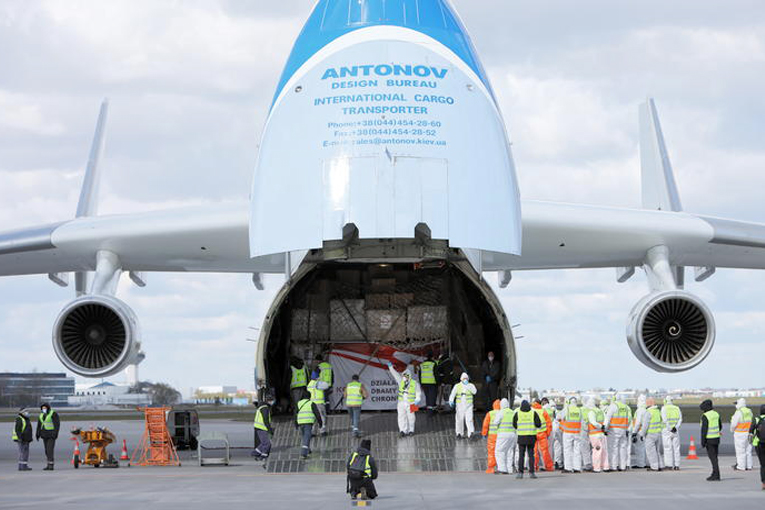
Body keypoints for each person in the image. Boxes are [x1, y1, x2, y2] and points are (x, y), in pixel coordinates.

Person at [388, 362, 421, 436]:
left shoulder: (415, 383)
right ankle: (402, 430)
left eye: (406, 376)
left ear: (409, 376)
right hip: (401, 403)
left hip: (412, 403)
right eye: (404, 376)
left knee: (412, 417)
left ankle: (411, 430)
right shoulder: (401, 382)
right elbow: (395, 374)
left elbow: (418, 394)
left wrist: (417, 401)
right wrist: (390, 368)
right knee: (401, 417)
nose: (405, 378)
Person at [514, 399, 542, 479]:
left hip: (521, 437)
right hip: (531, 437)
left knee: (521, 455)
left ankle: (520, 473)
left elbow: (514, 425)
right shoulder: (533, 413)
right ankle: (532, 473)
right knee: (531, 455)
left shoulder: (517, 413)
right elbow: (538, 424)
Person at [295, 389, 324, 459]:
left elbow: (295, 414)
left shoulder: (298, 403)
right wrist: (320, 423)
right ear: (310, 396)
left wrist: (295, 423)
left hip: (300, 422)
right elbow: (317, 414)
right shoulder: (311, 403)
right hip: (308, 422)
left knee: (304, 436)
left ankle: (308, 450)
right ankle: (303, 453)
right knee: (307, 437)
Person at [605, 395, 631, 471]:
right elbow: (628, 419)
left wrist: (605, 429)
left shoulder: (613, 406)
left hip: (614, 430)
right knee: (623, 448)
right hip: (623, 429)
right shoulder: (625, 407)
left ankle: (613, 466)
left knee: (613, 448)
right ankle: (622, 466)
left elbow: (608, 418)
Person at [449, 372, 478, 439]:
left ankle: (470, 433)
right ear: (461, 379)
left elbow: (475, 392)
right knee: (459, 419)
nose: (465, 380)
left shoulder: (471, 385)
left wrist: (468, 386)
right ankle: (459, 433)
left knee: (469, 419)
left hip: (469, 406)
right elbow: (453, 394)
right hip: (460, 406)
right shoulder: (457, 386)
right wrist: (451, 400)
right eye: (464, 378)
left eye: (466, 378)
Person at [585, 397, 609, 473]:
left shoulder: (591, 412)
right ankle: (605, 467)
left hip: (594, 434)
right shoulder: (601, 411)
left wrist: (600, 426)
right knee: (604, 450)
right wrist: (603, 427)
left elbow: (593, 422)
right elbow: (606, 420)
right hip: (602, 434)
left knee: (596, 451)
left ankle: (597, 468)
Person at [493, 398, 516, 474]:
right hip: (513, 434)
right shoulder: (513, 412)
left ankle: (502, 468)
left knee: (499, 451)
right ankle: (510, 469)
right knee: (510, 452)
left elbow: (495, 423)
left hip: (503, 434)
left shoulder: (501, 412)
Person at [700, 399, 721, 481]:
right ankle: (715, 473)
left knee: (713, 458)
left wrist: (703, 442)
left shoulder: (705, 416)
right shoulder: (716, 414)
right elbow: (720, 426)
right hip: (716, 438)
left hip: (709, 439)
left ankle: (716, 475)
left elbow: (704, 430)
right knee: (715, 457)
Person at [560, 396, 583, 473]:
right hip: (577, 432)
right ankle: (577, 468)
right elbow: (582, 422)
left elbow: (558, 417)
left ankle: (568, 468)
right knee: (577, 450)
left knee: (567, 450)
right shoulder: (579, 410)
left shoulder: (567, 409)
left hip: (568, 432)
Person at [640, 397, 664, 471]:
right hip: (658, 433)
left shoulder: (648, 412)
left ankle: (654, 467)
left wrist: (642, 434)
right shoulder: (657, 411)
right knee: (657, 451)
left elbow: (645, 425)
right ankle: (660, 465)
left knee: (651, 452)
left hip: (650, 434)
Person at [730, 397, 753, 471]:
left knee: (740, 451)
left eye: (736, 403)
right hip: (749, 433)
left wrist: (732, 430)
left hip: (740, 434)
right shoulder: (749, 411)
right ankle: (749, 466)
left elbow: (734, 424)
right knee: (748, 450)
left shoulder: (739, 412)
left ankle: (741, 466)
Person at [36, 403, 60, 471]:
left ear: (48, 408)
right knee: (46, 450)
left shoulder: (53, 413)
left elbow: (57, 424)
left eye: (45, 408)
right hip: (44, 435)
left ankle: (51, 465)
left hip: (51, 435)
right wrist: (37, 434)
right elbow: (39, 425)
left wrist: (55, 434)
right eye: (42, 408)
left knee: (50, 450)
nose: (44, 409)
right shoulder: (41, 415)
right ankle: (48, 464)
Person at [661, 396, 682, 470]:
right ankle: (677, 465)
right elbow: (680, 419)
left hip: (667, 430)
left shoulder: (664, 408)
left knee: (667, 448)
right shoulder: (677, 408)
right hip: (675, 431)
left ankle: (669, 465)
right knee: (676, 448)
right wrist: (675, 427)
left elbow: (664, 420)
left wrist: (670, 428)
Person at [532, 399, 553, 471]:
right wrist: (547, 433)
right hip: (542, 434)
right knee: (545, 451)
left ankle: (534, 467)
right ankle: (549, 467)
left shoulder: (531, 411)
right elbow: (549, 423)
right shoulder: (543, 411)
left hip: (533, 434)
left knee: (534, 451)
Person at [747, 404, 765, 490]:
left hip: (759, 444)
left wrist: (749, 442)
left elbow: (750, 432)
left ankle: (764, 483)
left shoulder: (756, 419)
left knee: (763, 464)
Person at [253, 394, 275, 461]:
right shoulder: (265, 408)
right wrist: (270, 430)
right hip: (261, 428)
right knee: (267, 444)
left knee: (264, 442)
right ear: (269, 401)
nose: (272, 402)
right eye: (272, 401)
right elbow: (266, 420)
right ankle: (263, 456)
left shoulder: (262, 406)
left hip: (259, 427)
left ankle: (256, 453)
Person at [307, 371, 330, 436]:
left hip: (312, 403)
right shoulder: (317, 384)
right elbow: (326, 385)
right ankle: (322, 431)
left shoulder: (309, 384)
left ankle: (313, 432)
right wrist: (321, 380)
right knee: (322, 417)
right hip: (319, 403)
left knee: (313, 418)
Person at [481, 399, 501, 473]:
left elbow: (485, 425)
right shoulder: (503, 413)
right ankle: (502, 466)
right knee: (501, 451)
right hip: (500, 435)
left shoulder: (490, 413)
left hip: (492, 435)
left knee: (491, 451)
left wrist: (484, 434)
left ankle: (491, 468)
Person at [544, 398, 562, 469]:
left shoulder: (544, 410)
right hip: (556, 428)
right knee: (557, 446)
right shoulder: (556, 411)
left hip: (549, 430)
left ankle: (549, 463)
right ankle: (557, 462)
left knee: (549, 448)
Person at [631, 394, 648, 468]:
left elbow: (637, 423)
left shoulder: (639, 411)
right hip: (644, 432)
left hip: (639, 431)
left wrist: (634, 432)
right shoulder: (645, 410)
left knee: (639, 449)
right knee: (644, 449)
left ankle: (640, 464)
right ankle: (645, 463)